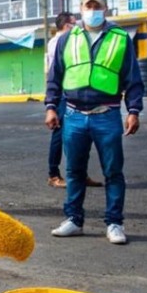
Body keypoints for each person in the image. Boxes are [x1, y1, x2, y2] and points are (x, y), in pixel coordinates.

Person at [45, 0, 144, 245]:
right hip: (74, 115)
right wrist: (51, 107)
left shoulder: (120, 38)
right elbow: (55, 76)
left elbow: (133, 78)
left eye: (96, 6)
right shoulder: (68, 38)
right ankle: (74, 220)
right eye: (88, 6)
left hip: (107, 115)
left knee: (113, 172)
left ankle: (114, 223)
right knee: (74, 171)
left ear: (105, 9)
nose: (92, 10)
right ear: (81, 9)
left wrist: (133, 111)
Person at [45, 12, 103, 189]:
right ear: (67, 26)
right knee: (59, 134)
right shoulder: (58, 42)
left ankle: (80, 174)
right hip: (63, 94)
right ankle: (53, 175)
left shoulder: (73, 40)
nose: (77, 25)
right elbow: (58, 72)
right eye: (73, 23)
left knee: (81, 136)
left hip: (75, 93)